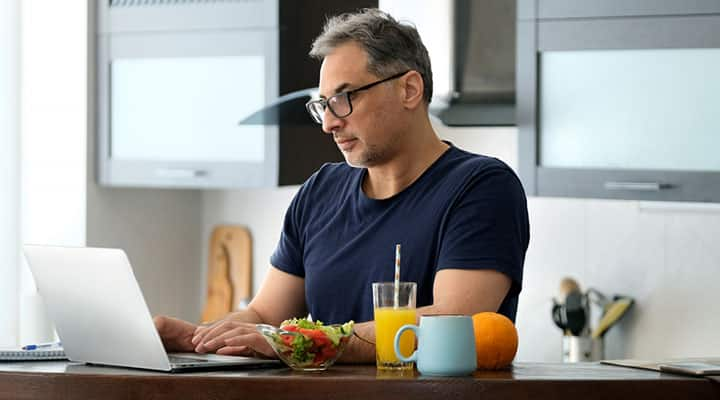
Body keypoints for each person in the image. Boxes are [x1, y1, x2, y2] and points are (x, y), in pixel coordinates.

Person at [154, 8, 529, 363]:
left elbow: (453, 321)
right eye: (323, 105)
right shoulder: (321, 191)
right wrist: (199, 339)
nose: (328, 123)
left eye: (344, 98)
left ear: (410, 90)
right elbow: (265, 314)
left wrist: (302, 343)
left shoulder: (482, 188)